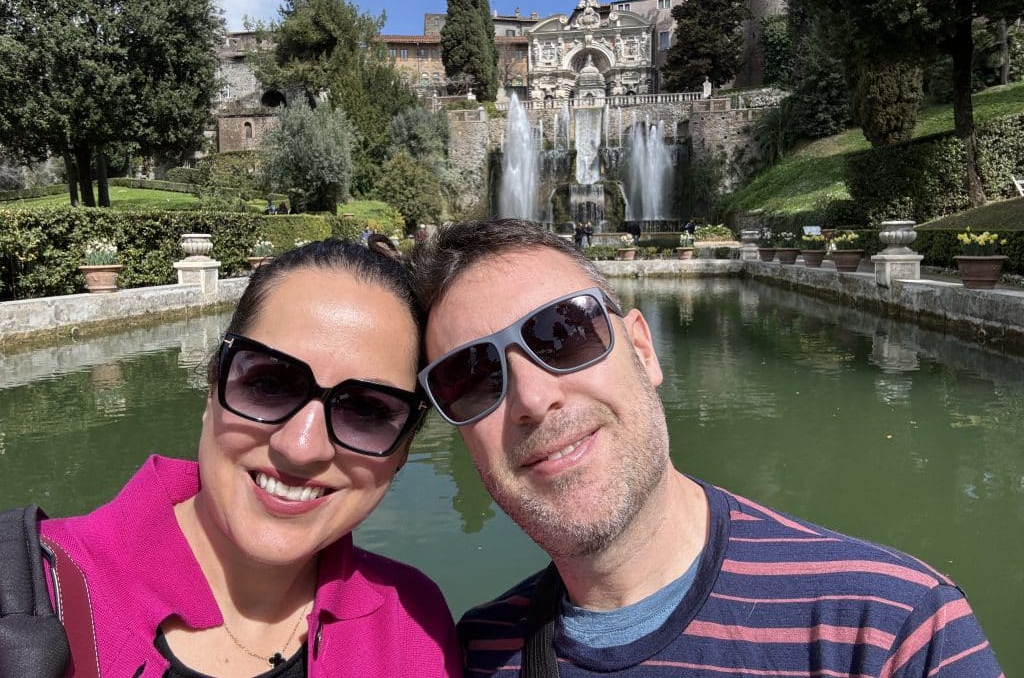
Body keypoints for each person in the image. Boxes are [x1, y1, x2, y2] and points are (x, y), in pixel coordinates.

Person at [410, 219, 1003, 678]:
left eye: (563, 332)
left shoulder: (890, 629)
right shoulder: (473, 652)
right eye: (471, 378)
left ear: (644, 350)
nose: (533, 398)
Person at [40, 239, 463, 677]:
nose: (301, 447)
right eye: (270, 384)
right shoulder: (29, 590)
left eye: (366, 410)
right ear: (213, 387)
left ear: (403, 449)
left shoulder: (415, 624)